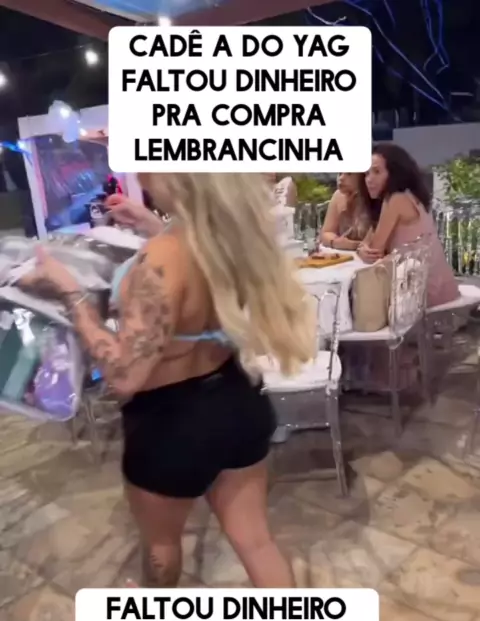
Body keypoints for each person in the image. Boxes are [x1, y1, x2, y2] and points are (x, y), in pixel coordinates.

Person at [19, 174, 316, 589]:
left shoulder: (162, 257)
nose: (140, 173)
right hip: (238, 399)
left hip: (171, 427)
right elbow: (192, 265)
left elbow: (124, 375)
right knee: (256, 542)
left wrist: (70, 293)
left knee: (162, 547)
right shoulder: (228, 235)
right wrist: (150, 223)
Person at [358, 143, 459, 306]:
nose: (369, 179)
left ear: (395, 173)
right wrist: (362, 248)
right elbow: (368, 244)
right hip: (438, 286)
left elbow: (374, 251)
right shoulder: (410, 195)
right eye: (366, 173)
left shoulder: (396, 200)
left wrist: (365, 250)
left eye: (377, 172)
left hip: (424, 292)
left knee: (359, 295)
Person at [320, 172, 372, 250]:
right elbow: (326, 233)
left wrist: (354, 245)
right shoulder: (338, 196)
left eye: (349, 174)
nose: (341, 178)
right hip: (345, 253)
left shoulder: (373, 197)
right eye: (340, 173)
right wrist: (335, 242)